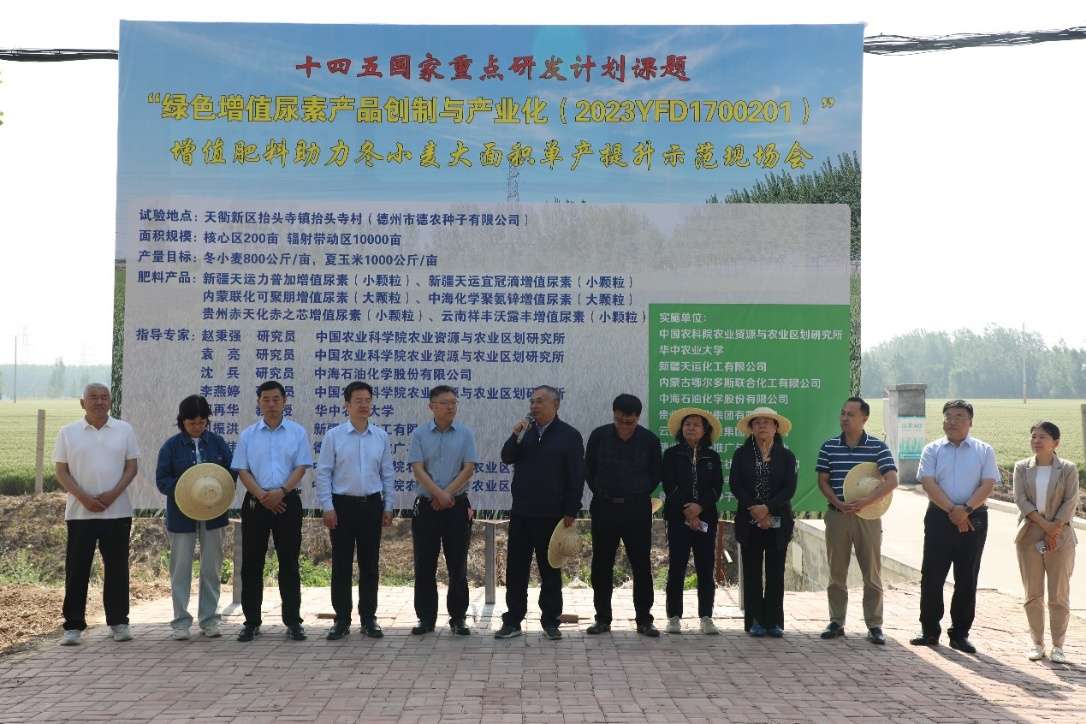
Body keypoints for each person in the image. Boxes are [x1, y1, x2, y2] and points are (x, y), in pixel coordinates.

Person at [495, 385, 584, 640]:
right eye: (532, 401)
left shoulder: (569, 435)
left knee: (550, 571)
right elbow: (507, 457)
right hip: (522, 512)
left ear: (555, 405)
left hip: (553, 515)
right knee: (516, 570)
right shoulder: (526, 432)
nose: (534, 406)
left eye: (540, 401)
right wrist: (516, 434)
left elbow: (576, 475)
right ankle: (513, 621)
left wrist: (571, 509)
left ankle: (551, 621)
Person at [54, 383, 140, 646]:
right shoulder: (68, 432)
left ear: (110, 402)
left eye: (104, 397)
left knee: (117, 569)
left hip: (117, 511)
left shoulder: (124, 430)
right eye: (93, 397)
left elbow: (131, 467)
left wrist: (113, 494)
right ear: (83, 403)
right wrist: (84, 497)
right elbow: (61, 471)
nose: (99, 402)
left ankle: (119, 622)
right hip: (80, 513)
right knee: (77, 569)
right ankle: (73, 626)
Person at [910, 399, 999, 654]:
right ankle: (929, 630)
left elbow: (988, 484)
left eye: (959, 416)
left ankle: (960, 633)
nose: (952, 421)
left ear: (970, 422)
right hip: (940, 517)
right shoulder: (932, 449)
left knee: (967, 576)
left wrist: (966, 510)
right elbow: (928, 483)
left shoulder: (984, 450)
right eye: (948, 416)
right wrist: (953, 511)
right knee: (932, 575)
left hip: (974, 517)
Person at [232, 380, 313, 642]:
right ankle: (251, 621)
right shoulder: (248, 435)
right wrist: (262, 495)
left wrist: (282, 492)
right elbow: (242, 470)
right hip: (256, 503)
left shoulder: (297, 432)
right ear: (258, 402)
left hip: (287, 502)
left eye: (276, 399)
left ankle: (293, 621)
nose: (271, 404)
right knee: (251, 563)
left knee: (289, 562)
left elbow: (301, 467)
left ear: (284, 401)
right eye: (266, 399)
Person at [815, 397, 898, 645]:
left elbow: (892, 480)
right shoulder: (829, 447)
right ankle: (836, 621)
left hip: (868, 517)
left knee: (871, 572)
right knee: (836, 571)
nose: (844, 418)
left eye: (850, 414)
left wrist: (866, 502)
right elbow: (823, 481)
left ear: (864, 418)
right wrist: (837, 502)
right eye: (842, 413)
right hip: (837, 515)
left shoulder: (878, 447)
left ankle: (874, 624)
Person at [316, 381, 394, 640]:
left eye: (367, 400)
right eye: (358, 400)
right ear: (347, 405)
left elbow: (387, 474)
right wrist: (328, 507)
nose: (363, 405)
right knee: (341, 565)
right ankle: (342, 619)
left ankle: (369, 618)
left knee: (370, 564)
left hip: (372, 505)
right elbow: (323, 473)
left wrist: (388, 506)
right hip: (342, 506)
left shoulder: (380, 437)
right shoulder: (334, 436)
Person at [155, 394, 235, 640]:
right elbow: (162, 480)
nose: (198, 427)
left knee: (212, 567)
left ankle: (209, 619)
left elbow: (231, 473)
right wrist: (186, 489)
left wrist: (214, 490)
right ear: (182, 422)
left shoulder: (217, 443)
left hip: (214, 512)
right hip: (181, 514)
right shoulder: (171, 446)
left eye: (202, 422)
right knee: (180, 568)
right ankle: (181, 621)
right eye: (192, 423)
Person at [584, 393, 662, 637]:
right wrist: (603, 491)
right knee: (601, 564)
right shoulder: (599, 436)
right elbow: (589, 470)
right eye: (619, 420)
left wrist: (637, 493)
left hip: (636, 509)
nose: (624, 426)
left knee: (641, 564)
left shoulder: (649, 440)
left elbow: (655, 474)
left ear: (638, 417)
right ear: (613, 415)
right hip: (605, 507)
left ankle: (644, 620)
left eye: (629, 422)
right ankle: (602, 618)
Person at [406, 385, 477, 636]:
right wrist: (438, 494)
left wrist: (447, 495)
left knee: (457, 565)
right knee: (425, 564)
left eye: (454, 402)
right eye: (445, 402)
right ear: (432, 406)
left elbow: (468, 468)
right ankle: (426, 618)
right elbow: (418, 468)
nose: (450, 407)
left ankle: (458, 618)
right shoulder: (420, 434)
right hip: (427, 507)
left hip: (456, 506)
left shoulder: (465, 433)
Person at [1013, 421, 1079, 664]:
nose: (1037, 441)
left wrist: (1054, 529)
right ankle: (1037, 643)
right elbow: (1021, 500)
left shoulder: (1068, 469)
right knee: (1033, 593)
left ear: (1055, 443)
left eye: (1042, 437)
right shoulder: (1022, 468)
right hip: (1029, 534)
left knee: (1058, 594)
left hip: (1061, 536)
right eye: (1033, 436)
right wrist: (1044, 525)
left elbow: (1070, 501)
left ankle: (1058, 646)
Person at [730, 407, 797, 638]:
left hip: (778, 520)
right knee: (752, 572)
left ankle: (774, 621)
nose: (762, 426)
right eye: (757, 422)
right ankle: (755, 621)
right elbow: (736, 485)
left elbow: (789, 489)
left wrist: (767, 508)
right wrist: (756, 510)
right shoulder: (741, 455)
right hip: (749, 520)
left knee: (776, 572)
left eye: (767, 422)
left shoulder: (786, 456)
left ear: (776, 428)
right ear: (751, 428)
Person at [661, 407, 723, 635]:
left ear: (705, 430)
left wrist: (699, 508)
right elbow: (669, 485)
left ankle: (706, 617)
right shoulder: (671, 454)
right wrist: (688, 510)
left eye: (696, 425)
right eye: (687, 424)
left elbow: (716, 488)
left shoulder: (712, 457)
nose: (691, 428)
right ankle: (674, 617)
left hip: (706, 518)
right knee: (677, 567)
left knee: (705, 567)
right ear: (681, 429)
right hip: (678, 518)